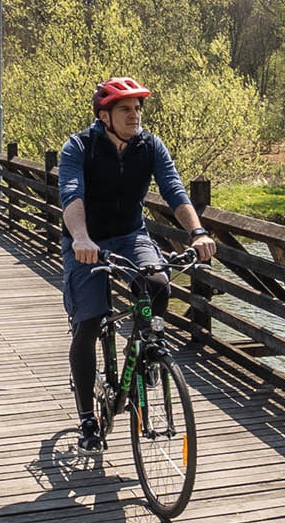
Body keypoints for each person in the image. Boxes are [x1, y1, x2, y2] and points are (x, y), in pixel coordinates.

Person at [59, 76, 217, 451]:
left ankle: (145, 353)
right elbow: (71, 194)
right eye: (125, 109)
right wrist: (81, 238)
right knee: (90, 320)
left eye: (137, 108)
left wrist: (197, 233)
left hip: (131, 235)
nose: (135, 115)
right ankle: (87, 418)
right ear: (105, 116)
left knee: (159, 284)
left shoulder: (150, 146)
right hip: (87, 241)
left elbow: (173, 189)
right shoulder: (79, 147)